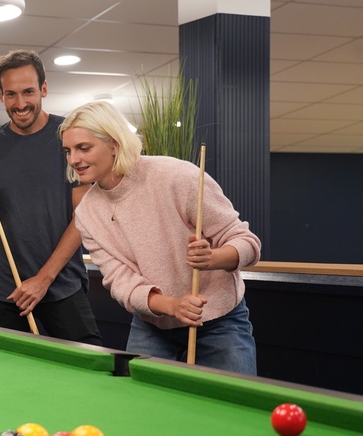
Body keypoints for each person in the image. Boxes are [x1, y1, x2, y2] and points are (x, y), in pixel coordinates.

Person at [59, 101, 261, 374]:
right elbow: (121, 281)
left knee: (233, 401)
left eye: (84, 148)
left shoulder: (177, 176)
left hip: (219, 322)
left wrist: (212, 258)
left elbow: (247, 243)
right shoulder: (87, 213)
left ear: (114, 144)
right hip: (152, 325)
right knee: (136, 402)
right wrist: (172, 306)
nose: (74, 159)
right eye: (68, 151)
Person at [0, 49, 101, 345]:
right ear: (0, 95)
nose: (20, 103)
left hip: (61, 282)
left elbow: (83, 218)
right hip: (3, 287)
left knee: (89, 361)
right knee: (6, 367)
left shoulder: (69, 138)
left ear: (44, 89)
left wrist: (43, 279)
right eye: (11, 94)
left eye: (28, 92)